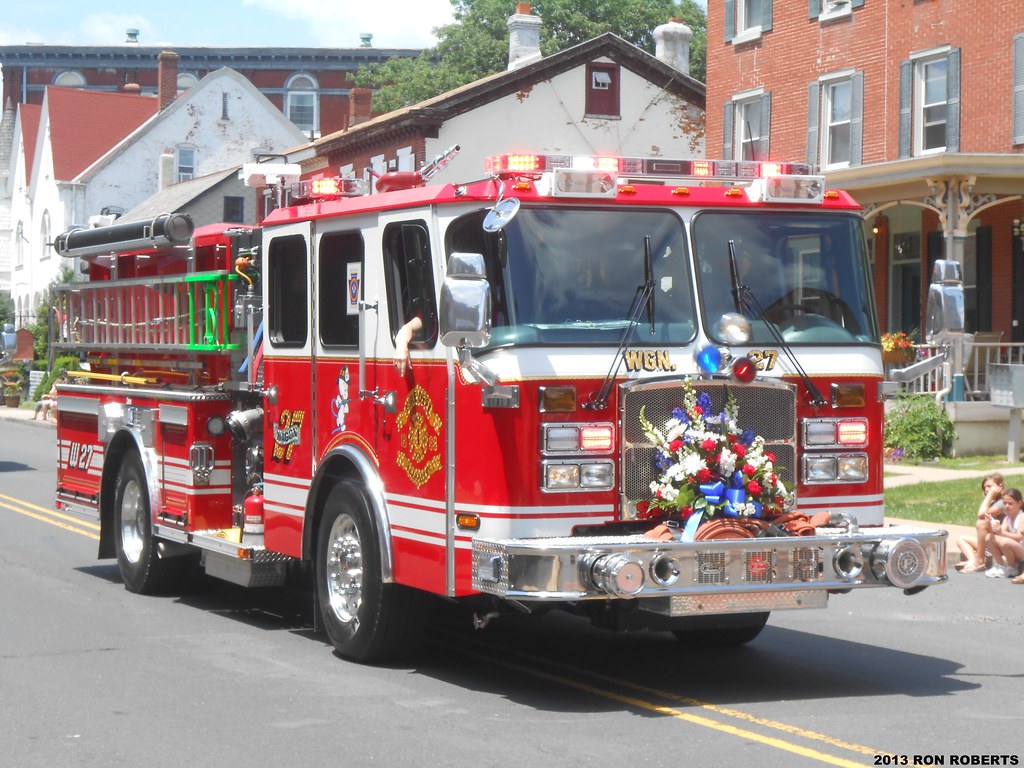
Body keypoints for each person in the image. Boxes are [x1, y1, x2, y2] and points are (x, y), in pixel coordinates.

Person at [955, 473, 1005, 574]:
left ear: (1000, 486)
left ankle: (980, 562)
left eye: (989, 486)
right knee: (961, 539)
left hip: (1002, 542)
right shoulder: (992, 502)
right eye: (984, 487)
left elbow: (981, 514)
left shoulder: (1004, 502)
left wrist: (990, 495)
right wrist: (990, 497)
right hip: (991, 542)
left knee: (981, 523)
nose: (986, 489)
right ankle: (973, 560)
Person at [986, 487, 1023, 578]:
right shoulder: (1007, 518)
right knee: (988, 537)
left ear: (1019, 503)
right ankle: (1000, 565)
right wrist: (990, 525)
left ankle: (1012, 567)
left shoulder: (1022, 517)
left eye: (1010, 503)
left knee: (1004, 541)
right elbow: (998, 535)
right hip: (1016, 548)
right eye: (1005, 503)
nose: (1006, 506)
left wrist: (1001, 532)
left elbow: (1019, 537)